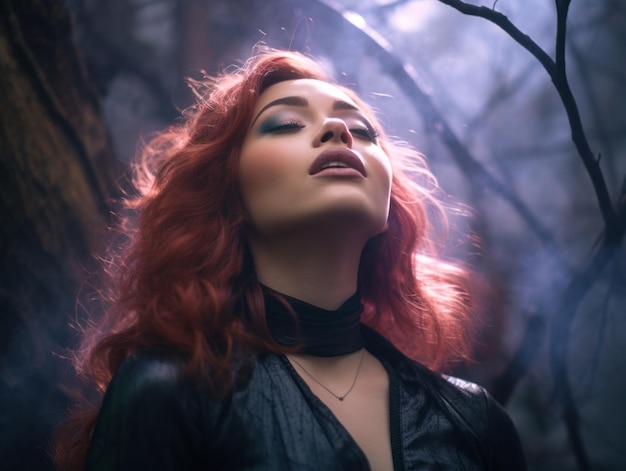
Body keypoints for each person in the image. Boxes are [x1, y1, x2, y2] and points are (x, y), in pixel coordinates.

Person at [55, 49, 527, 470]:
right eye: (285, 123)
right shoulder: (167, 391)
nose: (339, 130)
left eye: (363, 130)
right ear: (227, 191)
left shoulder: (476, 422)